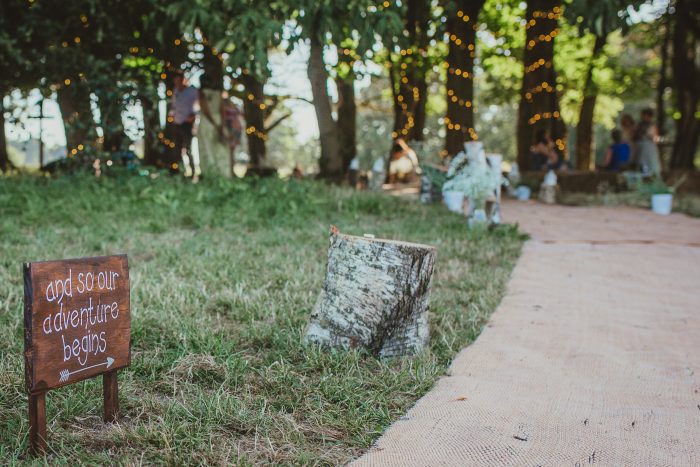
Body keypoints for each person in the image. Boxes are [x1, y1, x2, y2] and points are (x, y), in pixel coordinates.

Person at [170, 71, 214, 181]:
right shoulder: (175, 92)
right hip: (177, 123)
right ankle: (181, 172)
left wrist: (194, 116)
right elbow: (174, 106)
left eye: (179, 81)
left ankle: (193, 173)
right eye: (175, 81)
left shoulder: (192, 91)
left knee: (188, 149)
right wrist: (171, 115)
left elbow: (202, 103)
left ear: (182, 80)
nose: (177, 83)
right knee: (177, 150)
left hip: (187, 124)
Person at [219, 92, 243, 177]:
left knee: (231, 150)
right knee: (230, 150)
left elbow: (240, 114)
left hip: (235, 128)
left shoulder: (232, 106)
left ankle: (231, 171)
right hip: (232, 128)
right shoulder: (226, 107)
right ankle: (230, 171)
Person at [633, 107, 661, 176]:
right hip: (641, 147)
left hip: (649, 148)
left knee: (650, 164)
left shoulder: (651, 126)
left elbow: (655, 139)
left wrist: (650, 136)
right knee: (642, 164)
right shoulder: (639, 125)